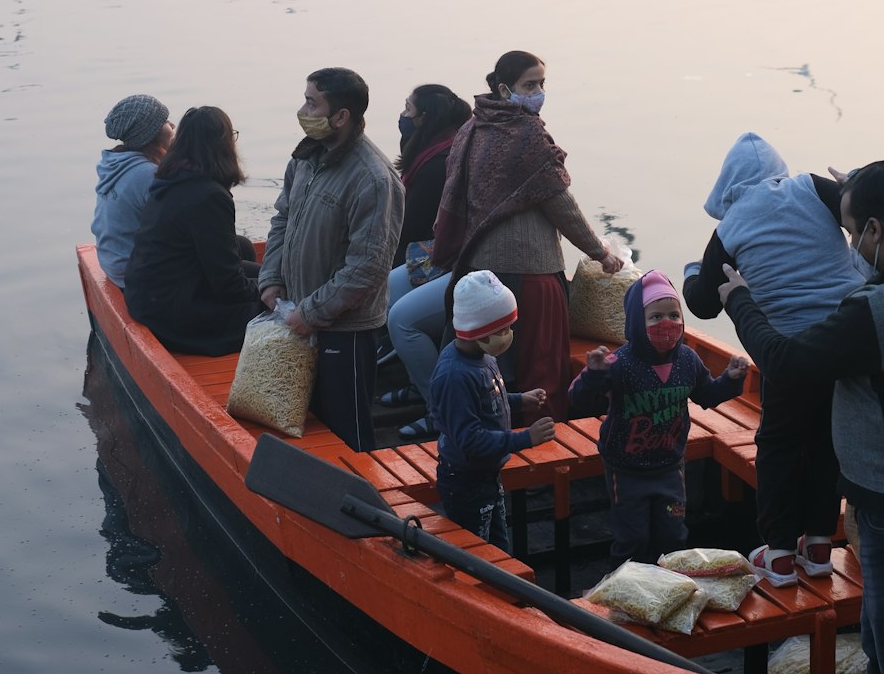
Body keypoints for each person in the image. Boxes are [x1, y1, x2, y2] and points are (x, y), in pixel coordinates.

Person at [718, 160, 884, 674]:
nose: (848, 243)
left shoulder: (880, 312)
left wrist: (739, 299)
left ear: (875, 230)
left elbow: (785, 360)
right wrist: (859, 187)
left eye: (851, 231)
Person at [682, 132, 862, 585]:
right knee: (826, 441)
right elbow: (862, 213)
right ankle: (820, 545)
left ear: (728, 185)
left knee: (779, 447)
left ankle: (779, 553)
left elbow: (704, 303)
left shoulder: (728, 228)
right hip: (844, 342)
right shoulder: (814, 188)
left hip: (786, 353)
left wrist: (690, 274)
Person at [432, 50, 624, 421]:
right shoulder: (526, 132)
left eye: (541, 84)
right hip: (531, 274)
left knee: (491, 369)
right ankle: (541, 450)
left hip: (479, 269)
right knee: (540, 367)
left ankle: (488, 435)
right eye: (529, 85)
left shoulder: (473, 128)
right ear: (506, 89)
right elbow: (560, 204)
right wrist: (600, 252)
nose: (538, 92)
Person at [258, 67, 405, 453]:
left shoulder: (373, 178)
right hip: (298, 315)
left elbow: (368, 266)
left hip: (346, 329)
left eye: (312, 102)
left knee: (347, 433)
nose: (303, 110)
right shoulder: (306, 158)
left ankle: (364, 504)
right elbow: (282, 218)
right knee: (309, 423)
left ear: (341, 116)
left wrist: (311, 313)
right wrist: (271, 278)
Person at [568, 270, 749, 565]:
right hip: (626, 471)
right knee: (632, 539)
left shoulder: (688, 359)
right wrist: (594, 374)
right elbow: (579, 400)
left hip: (669, 467)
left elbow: (706, 395)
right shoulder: (620, 364)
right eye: (654, 317)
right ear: (637, 323)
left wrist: (731, 378)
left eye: (673, 315)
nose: (667, 324)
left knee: (673, 536)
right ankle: (626, 593)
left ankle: (669, 591)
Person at [430, 271, 555, 550]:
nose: (508, 336)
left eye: (510, 327)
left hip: (487, 475)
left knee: (498, 546)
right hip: (465, 482)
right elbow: (470, 439)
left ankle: (502, 589)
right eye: (501, 330)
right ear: (476, 330)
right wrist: (525, 438)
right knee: (476, 553)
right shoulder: (455, 376)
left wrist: (519, 399)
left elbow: (487, 401)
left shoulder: (483, 356)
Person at [123, 106, 261, 355]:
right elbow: (228, 284)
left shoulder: (170, 178)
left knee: (258, 267)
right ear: (224, 144)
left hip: (147, 298)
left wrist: (265, 282)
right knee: (279, 308)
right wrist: (271, 292)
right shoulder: (209, 196)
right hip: (173, 315)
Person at [379, 83, 472, 439]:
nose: (402, 115)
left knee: (403, 319)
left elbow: (411, 227)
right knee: (389, 289)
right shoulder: (433, 151)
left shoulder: (439, 162)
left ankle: (441, 410)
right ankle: (420, 386)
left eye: (407, 108)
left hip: (464, 261)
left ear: (424, 117)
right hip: (442, 254)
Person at [92, 93, 174, 287]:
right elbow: (178, 229)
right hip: (134, 272)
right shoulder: (148, 174)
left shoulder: (115, 161)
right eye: (164, 121)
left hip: (114, 262)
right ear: (151, 133)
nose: (172, 125)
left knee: (241, 247)